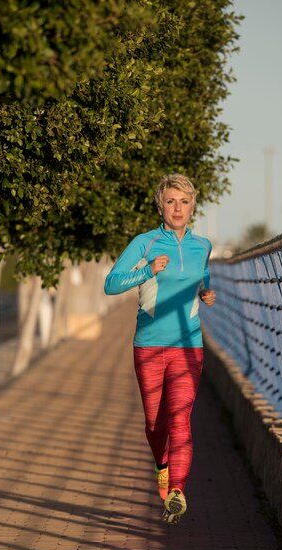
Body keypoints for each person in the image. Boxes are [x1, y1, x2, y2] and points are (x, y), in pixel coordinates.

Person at [104, 173, 215, 524]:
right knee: (155, 423)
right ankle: (162, 467)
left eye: (184, 201)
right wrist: (147, 271)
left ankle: (178, 490)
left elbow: (202, 276)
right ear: (160, 206)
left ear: (193, 205)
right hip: (149, 346)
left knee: (180, 418)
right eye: (171, 201)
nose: (177, 208)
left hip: (188, 345)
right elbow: (111, 284)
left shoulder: (204, 245)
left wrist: (205, 293)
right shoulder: (145, 243)